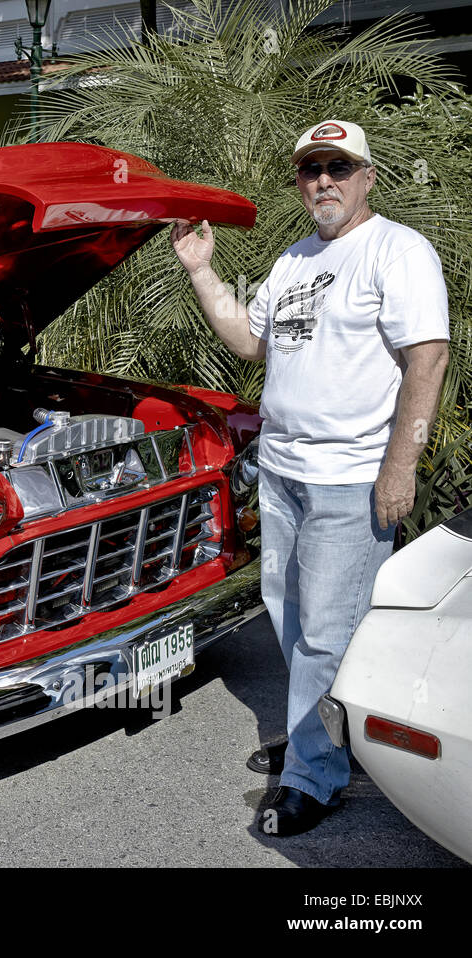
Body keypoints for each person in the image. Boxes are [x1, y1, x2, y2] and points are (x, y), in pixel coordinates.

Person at [170, 119, 450, 836]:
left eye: (338, 167)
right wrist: (202, 269)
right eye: (310, 169)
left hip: (349, 479)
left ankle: (315, 775)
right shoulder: (296, 260)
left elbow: (428, 360)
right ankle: (315, 737)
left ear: (367, 177)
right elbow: (251, 343)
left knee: (325, 634)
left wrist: (401, 466)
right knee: (292, 624)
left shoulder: (397, 250)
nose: (323, 180)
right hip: (284, 474)